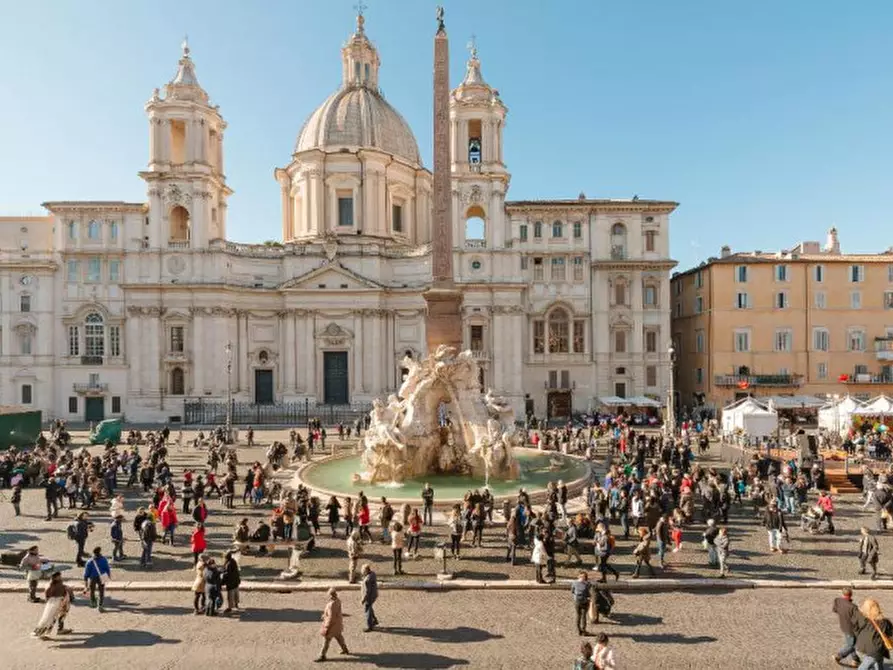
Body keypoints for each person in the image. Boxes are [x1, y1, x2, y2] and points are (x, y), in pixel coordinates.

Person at [852, 598, 893, 670]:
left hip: (864, 649)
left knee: (874, 663)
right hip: (876, 650)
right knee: (876, 663)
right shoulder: (885, 622)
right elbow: (891, 634)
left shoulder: (863, 619)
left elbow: (855, 629)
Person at [32, 572, 72, 640]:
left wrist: (65, 588)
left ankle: (60, 629)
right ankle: (41, 633)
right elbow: (47, 593)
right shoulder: (51, 584)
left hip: (61, 601)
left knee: (61, 615)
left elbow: (61, 588)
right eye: (59, 576)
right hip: (54, 603)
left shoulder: (59, 582)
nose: (60, 577)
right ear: (55, 577)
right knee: (49, 617)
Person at [316, 587, 350, 662]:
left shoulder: (331, 604)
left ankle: (322, 655)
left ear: (331, 595)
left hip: (332, 625)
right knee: (339, 637)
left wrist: (327, 627)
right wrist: (325, 614)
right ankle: (345, 649)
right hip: (337, 624)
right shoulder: (338, 601)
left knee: (326, 640)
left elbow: (331, 617)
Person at [832, 587, 860, 667]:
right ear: (851, 595)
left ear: (842, 594)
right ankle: (838, 656)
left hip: (843, 626)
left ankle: (856, 660)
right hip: (851, 629)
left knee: (850, 643)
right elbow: (857, 620)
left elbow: (835, 610)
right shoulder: (853, 607)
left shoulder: (837, 601)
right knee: (851, 645)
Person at [83, 546, 111, 612]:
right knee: (101, 591)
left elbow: (86, 573)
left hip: (93, 578)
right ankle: (100, 605)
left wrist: (86, 582)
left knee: (92, 590)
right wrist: (108, 576)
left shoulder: (90, 561)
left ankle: (93, 602)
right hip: (102, 576)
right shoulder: (104, 559)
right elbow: (107, 568)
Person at [570, 571, 591, 636]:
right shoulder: (587, 584)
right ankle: (584, 630)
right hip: (584, 601)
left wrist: (575, 597)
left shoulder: (574, 583)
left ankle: (578, 630)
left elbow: (572, 591)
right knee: (584, 616)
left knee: (578, 616)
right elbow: (588, 593)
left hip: (577, 601)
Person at [360, 563, 379, 632]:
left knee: (367, 610)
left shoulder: (367, 580)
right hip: (374, 595)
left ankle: (369, 626)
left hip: (369, 597)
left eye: (362, 570)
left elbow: (367, 592)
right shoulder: (373, 574)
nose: (361, 572)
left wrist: (363, 599)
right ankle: (374, 620)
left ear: (365, 571)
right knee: (370, 608)